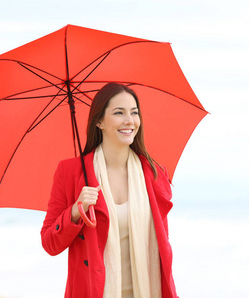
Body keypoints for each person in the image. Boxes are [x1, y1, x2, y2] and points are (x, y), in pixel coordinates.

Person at [41, 82, 178, 298]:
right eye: (119, 113)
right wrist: (76, 212)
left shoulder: (154, 173)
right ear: (99, 121)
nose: (129, 121)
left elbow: (163, 246)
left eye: (134, 112)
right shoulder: (71, 172)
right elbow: (50, 243)